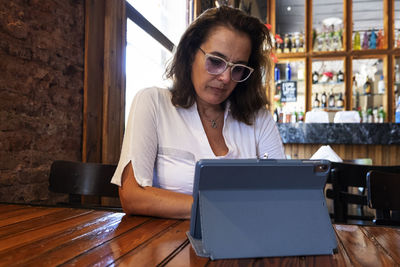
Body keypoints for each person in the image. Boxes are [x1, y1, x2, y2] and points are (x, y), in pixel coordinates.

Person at [111, 6, 285, 219]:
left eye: (238, 68)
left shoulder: (258, 117)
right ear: (190, 53)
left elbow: (282, 194)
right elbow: (133, 195)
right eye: (216, 61)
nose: (226, 78)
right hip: (164, 245)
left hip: (245, 243)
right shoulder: (153, 102)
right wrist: (225, 208)